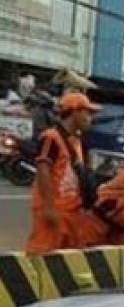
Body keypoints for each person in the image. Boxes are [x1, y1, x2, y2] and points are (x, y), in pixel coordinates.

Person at [26, 92, 100, 254]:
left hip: (72, 211)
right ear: (75, 112)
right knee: (42, 254)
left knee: (71, 259)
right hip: (55, 209)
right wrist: (48, 207)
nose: (90, 118)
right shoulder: (51, 137)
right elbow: (43, 170)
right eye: (87, 113)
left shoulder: (76, 141)